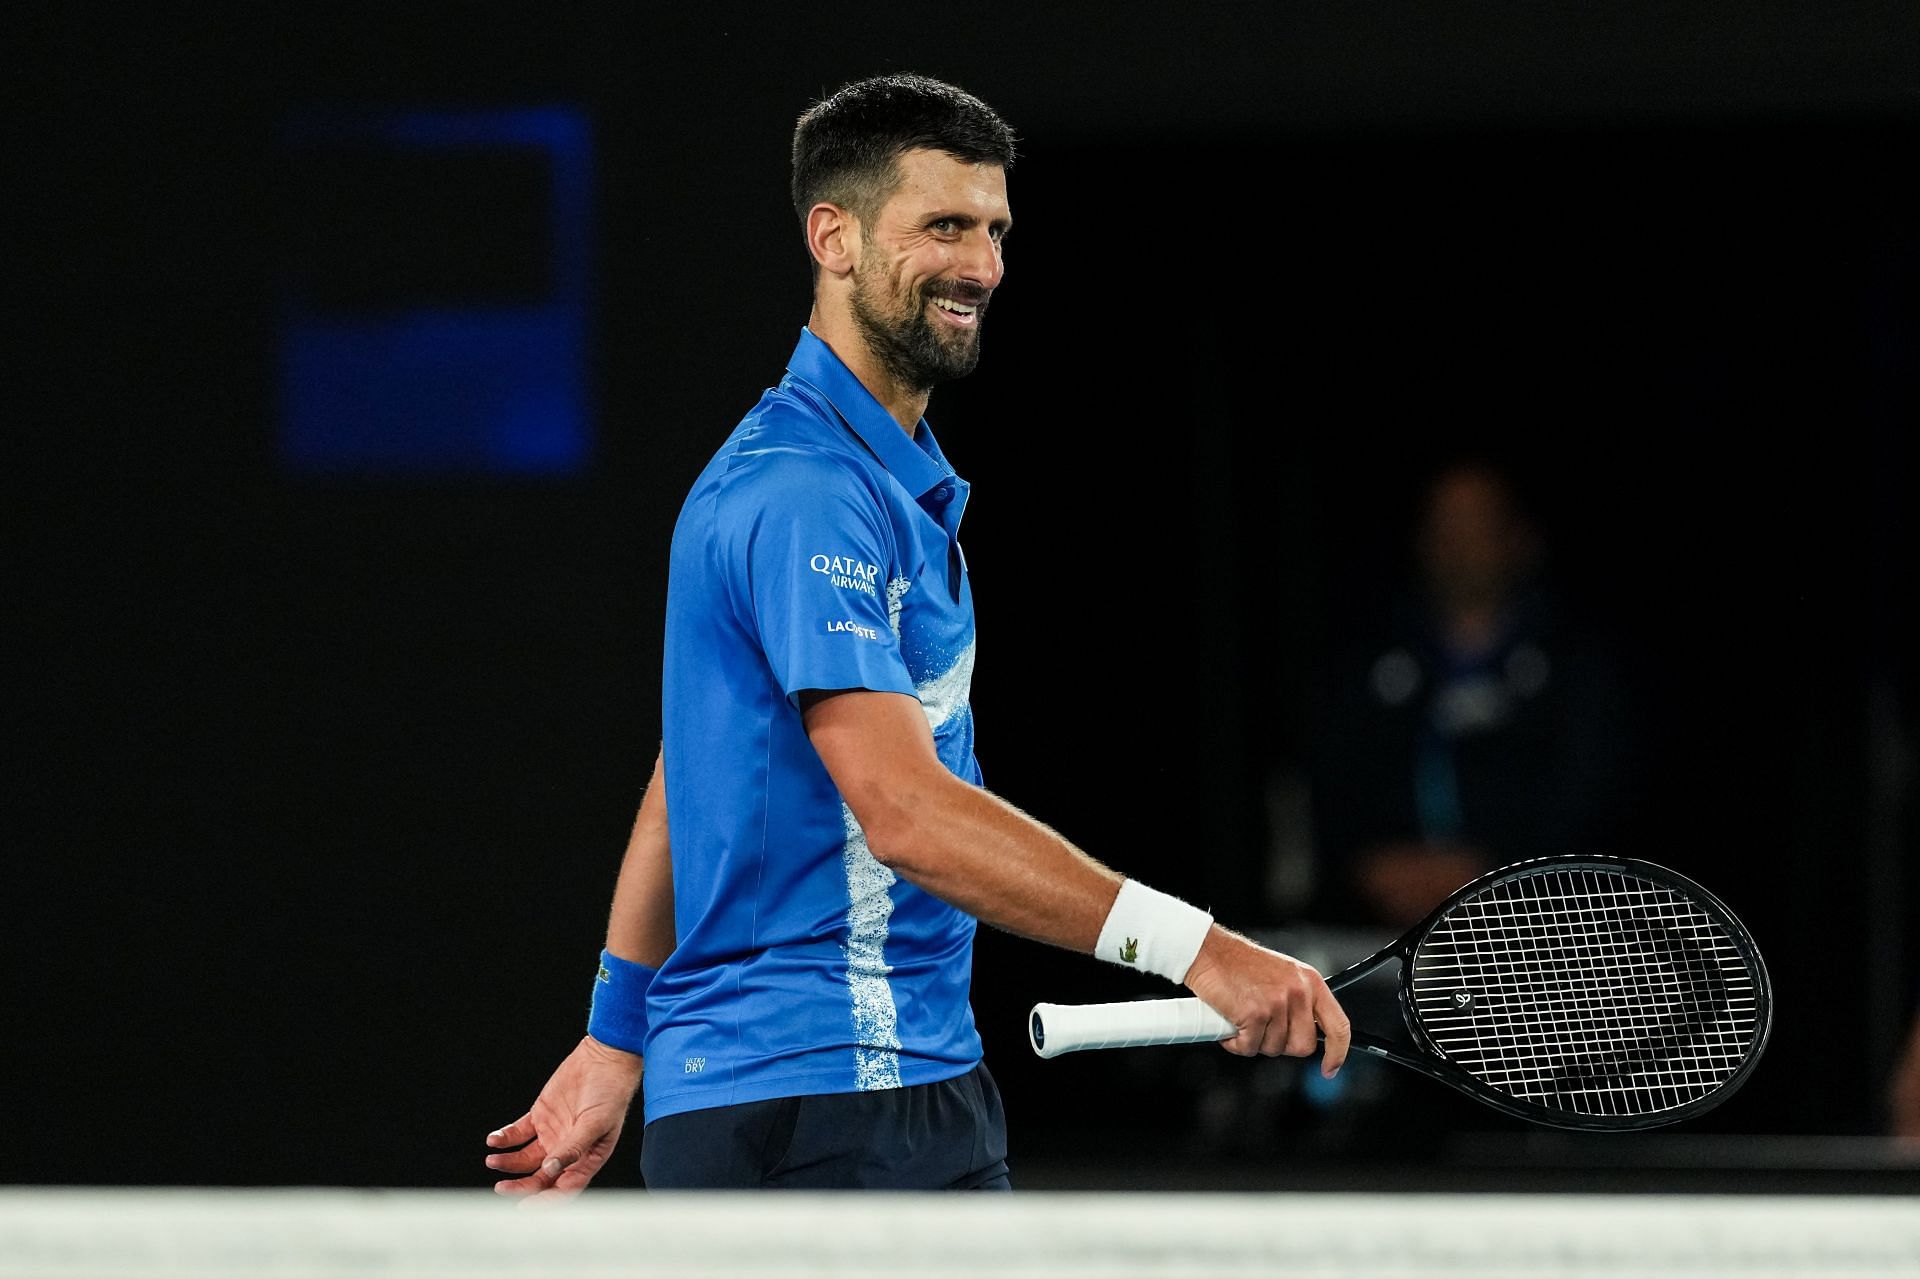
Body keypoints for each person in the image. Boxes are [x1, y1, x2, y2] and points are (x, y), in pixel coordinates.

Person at [482, 73, 1351, 1194]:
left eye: (993, 230)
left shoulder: (885, 483)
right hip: (800, 1106)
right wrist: (1200, 949)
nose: (982, 266)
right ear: (832, 237)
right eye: (943, 225)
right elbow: (905, 814)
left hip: (920, 1085)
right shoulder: (801, 491)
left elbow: (684, 776)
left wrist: (615, 1036)